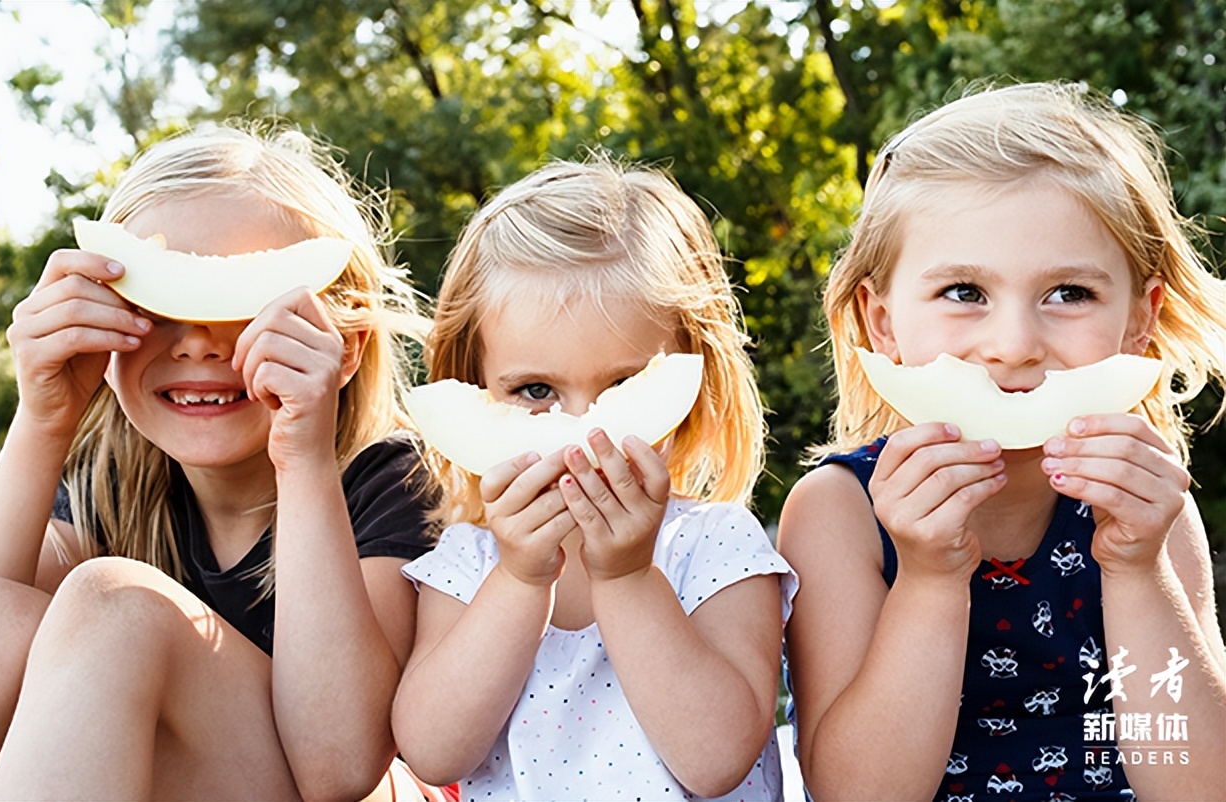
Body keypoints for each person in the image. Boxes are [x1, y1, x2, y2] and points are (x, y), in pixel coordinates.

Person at [0, 125, 444, 800]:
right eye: (158, 305)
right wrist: (44, 420)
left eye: (245, 308)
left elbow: (341, 767)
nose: (200, 344)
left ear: (343, 347)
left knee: (118, 608)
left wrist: (302, 458)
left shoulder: (394, 477)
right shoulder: (117, 480)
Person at [778, 82, 1226, 801]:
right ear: (883, 323)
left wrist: (1137, 570)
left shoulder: (1151, 514)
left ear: (1140, 323)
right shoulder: (839, 514)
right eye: (963, 292)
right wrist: (927, 579)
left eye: (1069, 293)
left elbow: (1199, 787)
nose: (1014, 346)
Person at [390, 157, 798, 801]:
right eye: (535, 390)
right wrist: (521, 578)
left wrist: (628, 576)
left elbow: (716, 759)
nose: (581, 431)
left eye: (623, 388)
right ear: (474, 386)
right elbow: (434, 751)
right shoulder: (468, 564)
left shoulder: (718, 545)